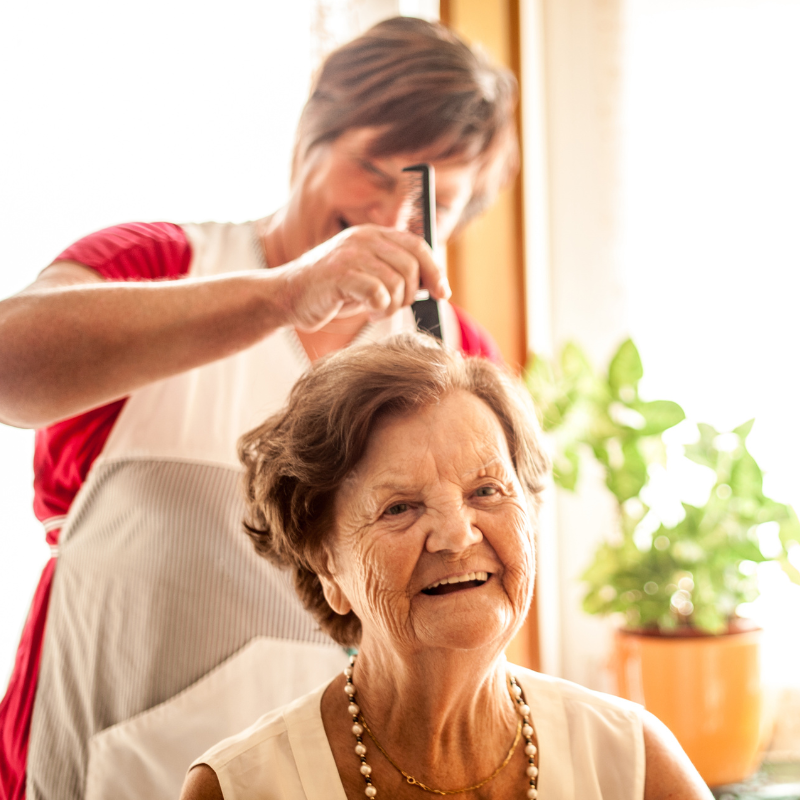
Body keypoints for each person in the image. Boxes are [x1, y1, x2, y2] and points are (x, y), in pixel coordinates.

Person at [0, 17, 517, 800]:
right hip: (101, 761)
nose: (388, 213)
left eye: (428, 201)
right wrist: (286, 295)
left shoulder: (450, 356)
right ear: (310, 138)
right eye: (371, 168)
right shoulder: (161, 265)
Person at [179, 334, 713, 800]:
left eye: (486, 491)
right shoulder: (238, 789)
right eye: (400, 508)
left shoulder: (632, 762)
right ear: (327, 567)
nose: (457, 534)